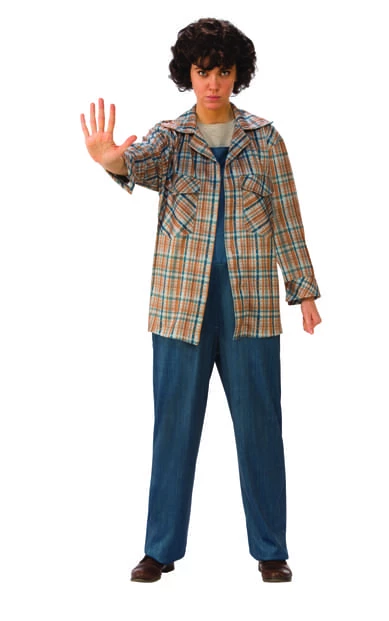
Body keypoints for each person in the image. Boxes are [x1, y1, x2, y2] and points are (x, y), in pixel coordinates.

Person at [80, 17, 322, 583]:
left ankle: (271, 550)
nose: (212, 82)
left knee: (261, 428)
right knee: (173, 429)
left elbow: (287, 216)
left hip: (251, 307)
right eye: (202, 71)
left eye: (223, 71)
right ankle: (159, 549)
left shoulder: (265, 139)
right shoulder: (170, 138)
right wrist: (108, 158)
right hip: (179, 309)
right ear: (188, 74)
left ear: (238, 75)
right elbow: (135, 165)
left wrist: (304, 290)